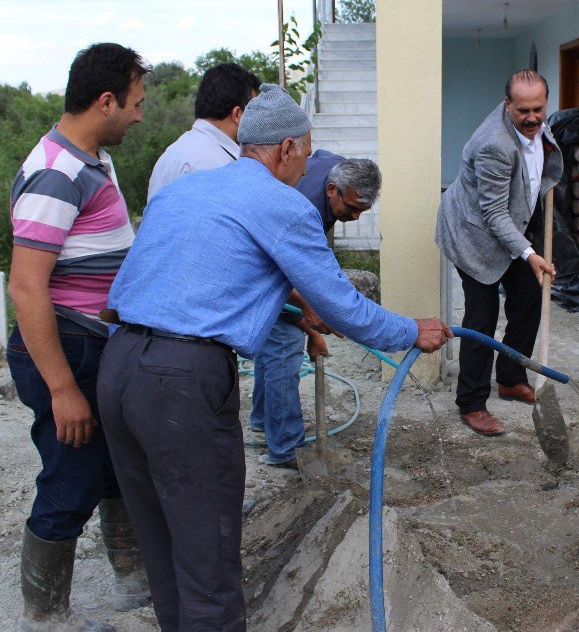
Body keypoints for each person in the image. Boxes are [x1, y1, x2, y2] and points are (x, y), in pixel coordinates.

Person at [96, 84, 451, 632]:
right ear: (286, 148)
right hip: (181, 386)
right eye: (306, 153)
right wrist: (410, 331)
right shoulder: (281, 203)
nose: (307, 166)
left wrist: (288, 314)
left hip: (117, 369)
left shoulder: (183, 193)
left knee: (164, 549)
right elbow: (343, 305)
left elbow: (191, 290)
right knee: (208, 560)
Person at [6, 43, 152, 632]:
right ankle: (45, 618)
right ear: (105, 100)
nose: (140, 115)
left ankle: (132, 584)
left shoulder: (92, 160)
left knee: (115, 465)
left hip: (95, 342)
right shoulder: (56, 172)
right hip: (68, 348)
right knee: (69, 480)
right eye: (136, 104)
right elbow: (25, 287)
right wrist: (62, 387)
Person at [436, 69, 562, 437]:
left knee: (527, 300)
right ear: (507, 105)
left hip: (510, 228)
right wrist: (529, 252)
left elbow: (541, 167)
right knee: (481, 318)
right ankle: (472, 402)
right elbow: (493, 213)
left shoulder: (537, 124)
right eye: (523, 110)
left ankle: (509, 377)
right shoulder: (495, 144)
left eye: (538, 109)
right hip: (473, 234)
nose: (532, 118)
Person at [249, 152, 381, 468]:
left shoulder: (334, 169)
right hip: (260, 269)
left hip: (274, 258)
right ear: (332, 189)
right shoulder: (301, 209)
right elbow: (281, 275)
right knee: (283, 342)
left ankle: (263, 419)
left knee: (275, 342)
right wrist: (308, 322)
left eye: (363, 211)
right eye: (351, 209)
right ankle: (284, 447)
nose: (355, 218)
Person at [147, 62, 261, 200]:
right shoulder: (222, 167)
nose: (256, 120)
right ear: (237, 114)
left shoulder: (172, 155)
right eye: (253, 111)